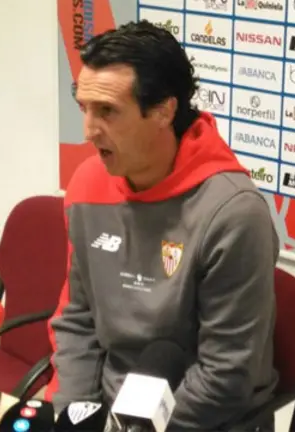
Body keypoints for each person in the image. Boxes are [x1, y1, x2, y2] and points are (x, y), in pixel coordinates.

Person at [45, 20, 279, 430]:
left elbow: (225, 377)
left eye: (107, 111)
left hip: (198, 417)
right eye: (85, 108)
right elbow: (78, 322)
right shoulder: (88, 184)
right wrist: (73, 416)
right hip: (106, 410)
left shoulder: (233, 214)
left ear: (163, 111)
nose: (89, 132)